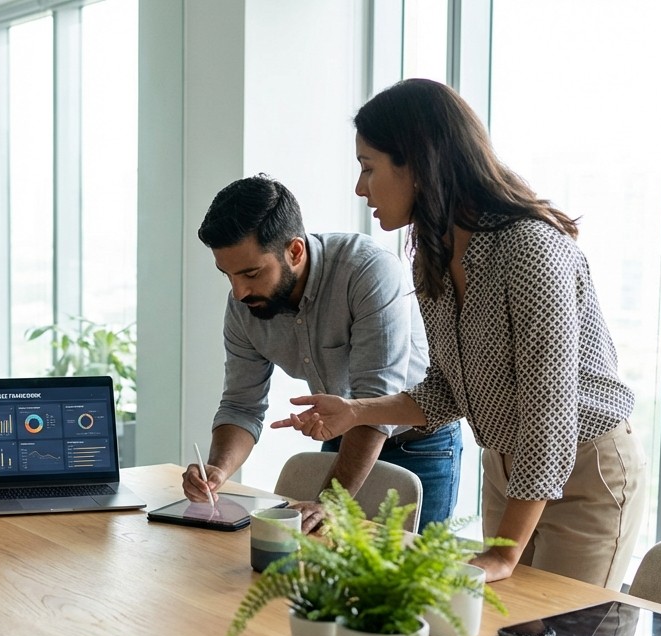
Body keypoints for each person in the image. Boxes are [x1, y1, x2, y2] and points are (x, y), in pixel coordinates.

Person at [279, 79, 646, 588]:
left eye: (368, 167)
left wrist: (503, 555)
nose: (360, 189)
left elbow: (550, 415)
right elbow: (449, 390)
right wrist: (357, 411)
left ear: (418, 164)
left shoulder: (530, 250)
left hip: (586, 473)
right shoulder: (431, 256)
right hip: (506, 468)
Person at [182, 175, 462, 533]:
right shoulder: (244, 304)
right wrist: (218, 468)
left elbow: (373, 399)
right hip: (344, 435)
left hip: (420, 444)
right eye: (228, 275)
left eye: (251, 273)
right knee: (322, 564)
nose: (238, 292)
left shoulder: (367, 270)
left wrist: (330, 501)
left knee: (408, 579)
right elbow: (241, 404)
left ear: (295, 251)